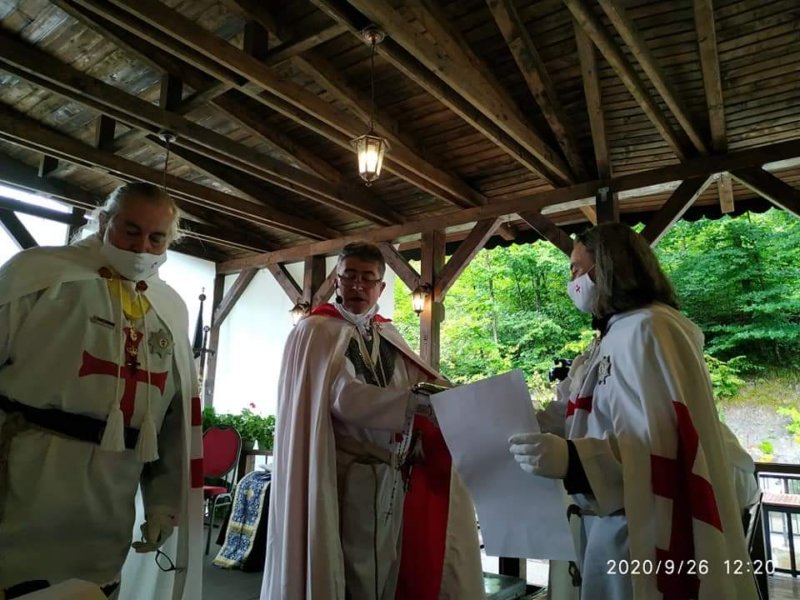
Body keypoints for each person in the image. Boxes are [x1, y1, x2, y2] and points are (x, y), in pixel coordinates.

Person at [509, 223, 758, 600]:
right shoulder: (608, 339)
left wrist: (575, 461)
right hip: (606, 522)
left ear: (608, 267)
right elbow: (570, 415)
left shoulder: (651, 329)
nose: (572, 281)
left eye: (577, 268)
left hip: (646, 530)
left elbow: (666, 446)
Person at [0, 182, 203, 600]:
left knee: (95, 586)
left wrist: (164, 502)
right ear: (104, 220)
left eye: (156, 237)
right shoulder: (36, 275)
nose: (142, 247)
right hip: (28, 470)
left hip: (113, 491)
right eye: (131, 230)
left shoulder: (168, 308)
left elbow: (174, 418)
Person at [262, 242, 484, 600]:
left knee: (386, 563)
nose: (358, 285)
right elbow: (343, 397)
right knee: (351, 569)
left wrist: (457, 396)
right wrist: (413, 404)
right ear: (336, 281)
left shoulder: (386, 333)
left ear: (380, 287)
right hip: (340, 473)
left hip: (390, 473)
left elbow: (417, 381)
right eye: (349, 276)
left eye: (368, 278)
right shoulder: (315, 331)